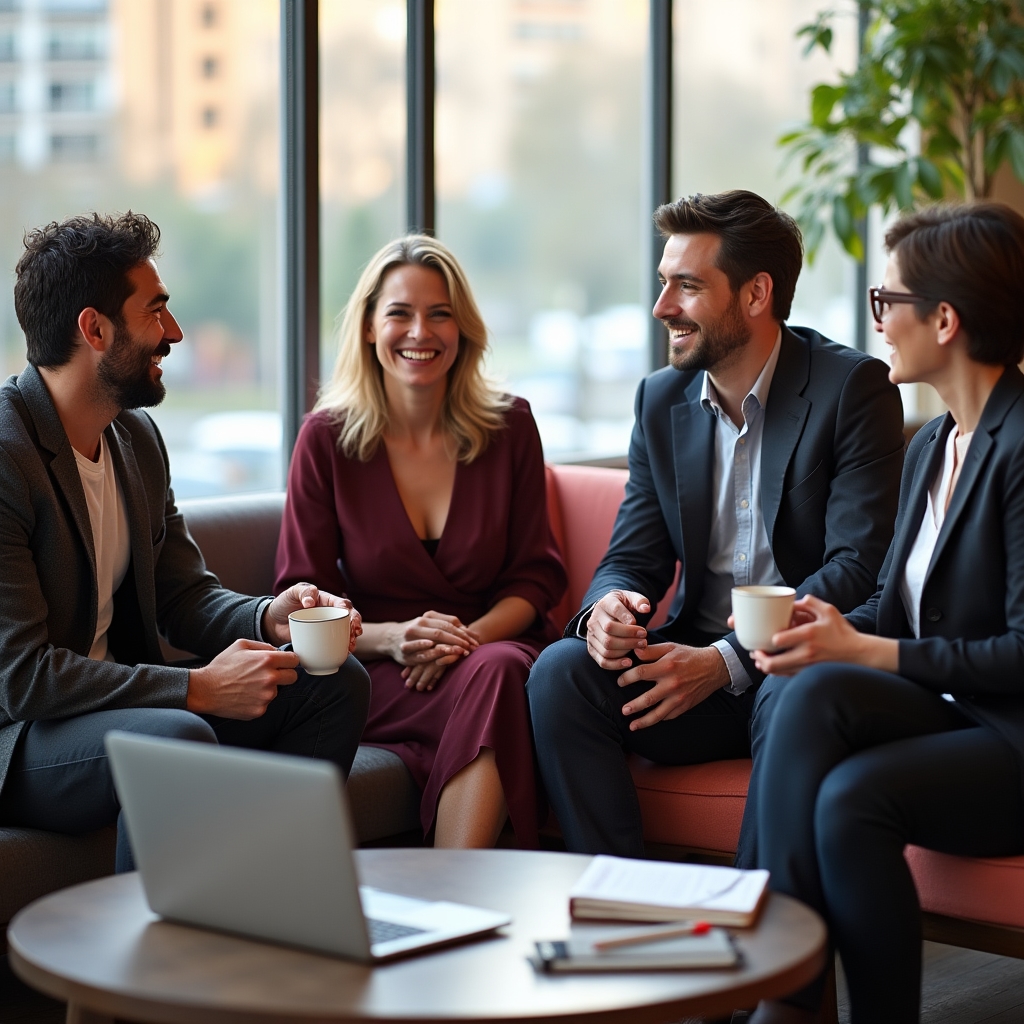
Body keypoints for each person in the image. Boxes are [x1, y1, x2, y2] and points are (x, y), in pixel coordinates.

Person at [527, 190, 906, 857]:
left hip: (796, 668)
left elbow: (858, 565)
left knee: (791, 688)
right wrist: (607, 609)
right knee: (560, 672)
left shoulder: (853, 389)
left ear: (756, 294)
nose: (662, 307)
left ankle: (762, 943)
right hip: (686, 669)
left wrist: (725, 662)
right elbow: (631, 554)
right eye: (663, 283)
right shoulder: (659, 398)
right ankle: (623, 904)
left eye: (688, 285)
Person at [0, 212, 371, 872]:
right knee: (176, 735)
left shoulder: (135, 441)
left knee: (332, 682)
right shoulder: (8, 456)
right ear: (94, 329)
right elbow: (22, 679)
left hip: (124, 712)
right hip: (25, 739)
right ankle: (148, 967)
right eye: (157, 311)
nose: (173, 333)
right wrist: (195, 689)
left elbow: (184, 595)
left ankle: (279, 893)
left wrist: (268, 615)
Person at [740, 203, 1024, 1024]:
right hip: (956, 714)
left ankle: (780, 994)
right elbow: (894, 611)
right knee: (804, 688)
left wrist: (863, 653)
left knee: (849, 792)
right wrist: (818, 627)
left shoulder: (1021, 445)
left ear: (944, 318)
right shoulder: (933, 444)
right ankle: (787, 994)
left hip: (1009, 732)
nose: (879, 324)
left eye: (886, 301)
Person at [274, 234, 567, 849]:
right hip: (375, 669)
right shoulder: (324, 438)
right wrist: (394, 640)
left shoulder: (511, 425)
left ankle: (447, 893)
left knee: (500, 674)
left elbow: (535, 578)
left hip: (491, 649)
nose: (420, 332)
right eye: (400, 313)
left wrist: (467, 639)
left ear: (463, 329)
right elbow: (299, 598)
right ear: (368, 327)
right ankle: (457, 902)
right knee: (499, 693)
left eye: (440, 314)